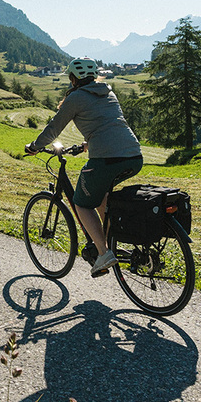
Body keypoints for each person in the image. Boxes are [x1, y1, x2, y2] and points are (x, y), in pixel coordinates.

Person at [25, 58, 143, 276]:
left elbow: (54, 128)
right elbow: (110, 123)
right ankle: (109, 242)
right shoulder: (109, 92)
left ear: (72, 78)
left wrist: (34, 146)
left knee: (81, 203)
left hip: (107, 159)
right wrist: (88, 143)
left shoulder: (76, 97)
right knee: (100, 198)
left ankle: (103, 253)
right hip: (134, 156)